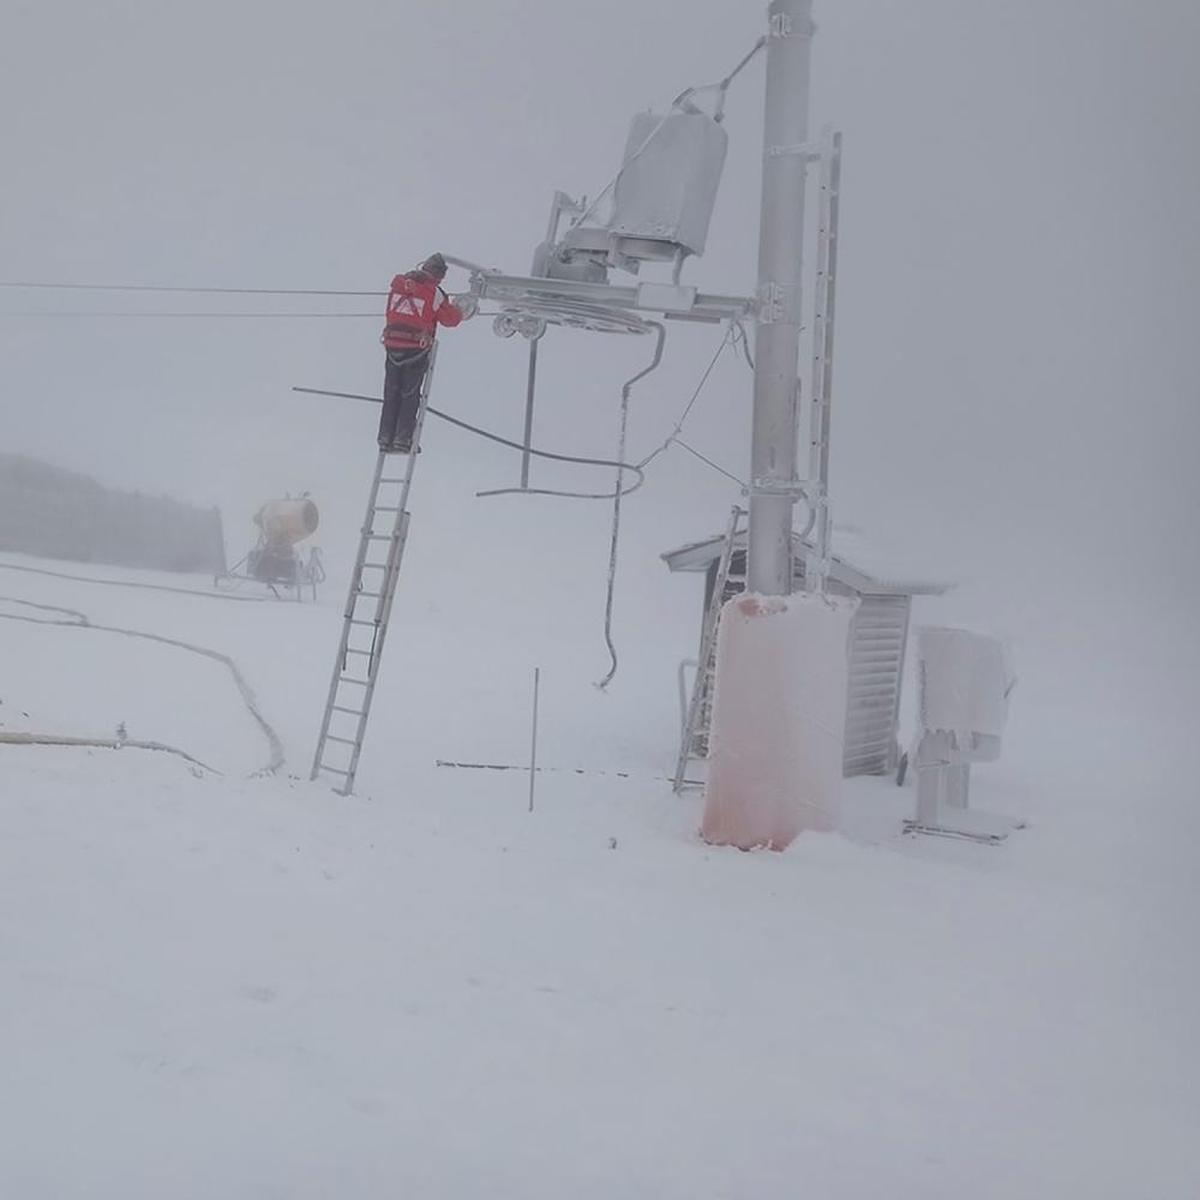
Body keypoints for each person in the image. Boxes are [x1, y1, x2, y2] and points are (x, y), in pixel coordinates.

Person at [378, 253, 472, 453]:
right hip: (415, 349)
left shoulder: (398, 285)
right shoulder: (434, 292)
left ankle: (385, 437)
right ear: (439, 275)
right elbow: (450, 319)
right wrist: (460, 309)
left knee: (391, 392)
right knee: (409, 395)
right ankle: (403, 439)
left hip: (392, 344)